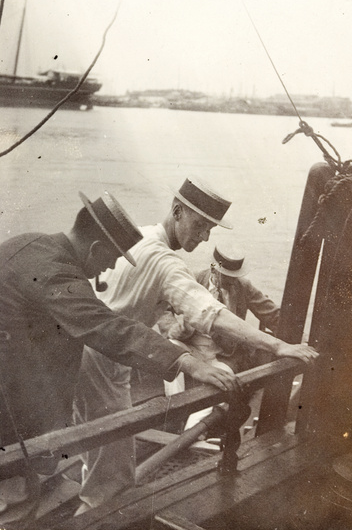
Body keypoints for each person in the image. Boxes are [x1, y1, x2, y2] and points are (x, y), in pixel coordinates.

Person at [75, 177, 319, 512]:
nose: (204, 237)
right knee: (110, 483)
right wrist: (277, 346)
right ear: (177, 212)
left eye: (210, 230)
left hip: (79, 353)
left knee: (97, 459)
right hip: (104, 365)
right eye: (199, 226)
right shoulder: (166, 263)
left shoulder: (137, 236)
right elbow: (211, 313)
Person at [0, 190, 237, 525]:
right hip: (8, 402)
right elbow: (108, 327)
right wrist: (187, 361)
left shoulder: (32, 242)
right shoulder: (57, 274)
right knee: (14, 503)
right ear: (97, 249)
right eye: (111, 259)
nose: (109, 267)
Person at [161, 243, 280, 373]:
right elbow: (162, 307)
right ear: (214, 270)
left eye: (236, 276)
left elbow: (272, 314)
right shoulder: (193, 281)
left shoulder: (243, 286)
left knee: (225, 377)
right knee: (170, 354)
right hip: (190, 346)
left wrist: (294, 335)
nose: (233, 281)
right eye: (228, 276)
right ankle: (174, 394)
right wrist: (172, 329)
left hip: (222, 355)